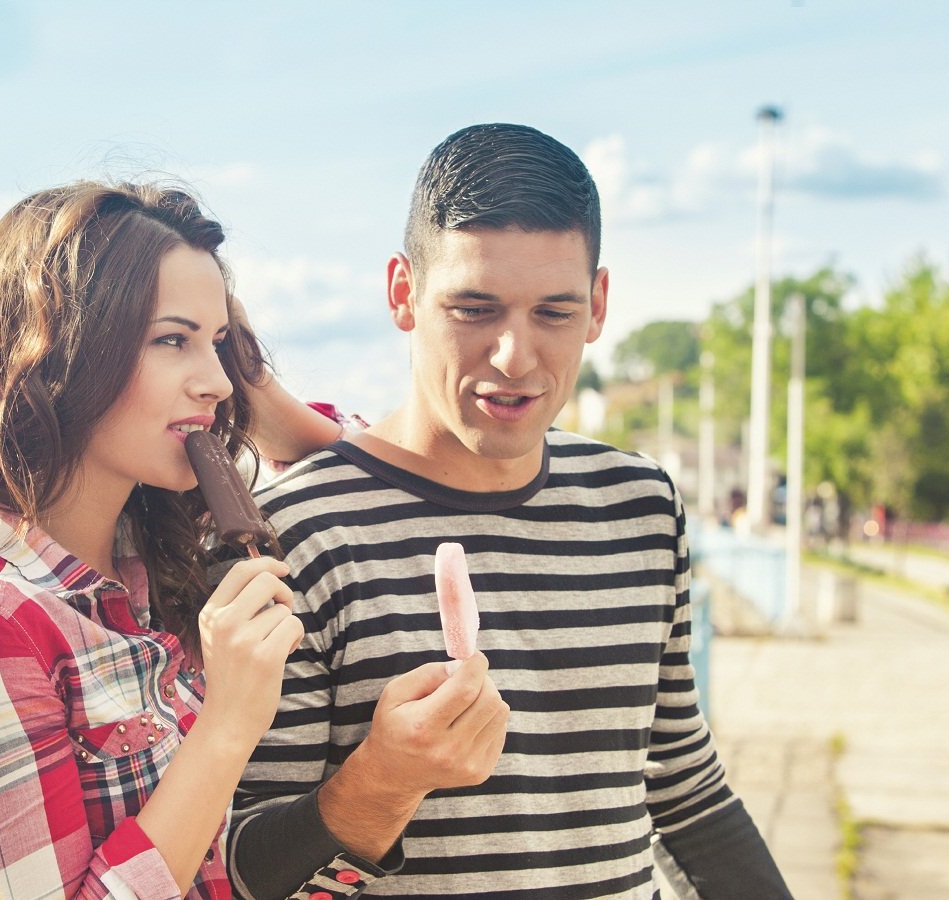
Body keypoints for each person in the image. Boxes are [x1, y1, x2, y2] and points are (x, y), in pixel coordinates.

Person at [227, 125, 792, 898]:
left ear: (597, 305)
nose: (514, 357)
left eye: (554, 313)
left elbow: (685, 790)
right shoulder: (294, 536)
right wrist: (384, 780)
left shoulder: (642, 505)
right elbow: (246, 865)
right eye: (474, 309)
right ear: (403, 294)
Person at [0, 180, 331, 899]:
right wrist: (226, 726)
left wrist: (257, 384)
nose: (216, 381)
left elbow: (367, 460)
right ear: (64, 352)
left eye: (219, 345)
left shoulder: (146, 575)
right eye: (172, 340)